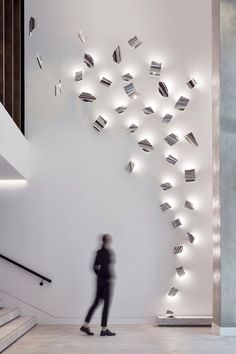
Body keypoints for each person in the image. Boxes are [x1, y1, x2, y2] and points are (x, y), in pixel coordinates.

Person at [80, 234, 116, 336]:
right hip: (106, 283)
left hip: (99, 282)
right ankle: (104, 330)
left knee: (96, 303)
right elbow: (106, 268)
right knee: (106, 305)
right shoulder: (108, 253)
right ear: (107, 241)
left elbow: (94, 267)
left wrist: (99, 276)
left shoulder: (98, 252)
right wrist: (107, 277)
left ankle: (85, 325)